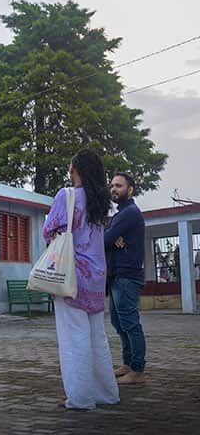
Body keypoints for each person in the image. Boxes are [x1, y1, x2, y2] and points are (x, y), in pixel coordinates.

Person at [43, 149, 119, 411]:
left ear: (75, 170)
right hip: (97, 277)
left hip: (71, 275)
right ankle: (106, 393)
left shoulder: (66, 196)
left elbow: (49, 230)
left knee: (74, 337)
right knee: (97, 337)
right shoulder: (101, 202)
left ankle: (80, 398)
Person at [105, 172, 146, 385]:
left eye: (119, 186)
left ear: (130, 190)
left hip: (127, 276)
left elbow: (104, 239)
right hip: (117, 276)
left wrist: (111, 235)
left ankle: (138, 371)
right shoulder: (120, 215)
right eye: (112, 185)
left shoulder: (129, 213)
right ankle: (128, 364)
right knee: (118, 322)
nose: (114, 189)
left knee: (130, 324)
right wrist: (112, 234)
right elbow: (108, 235)